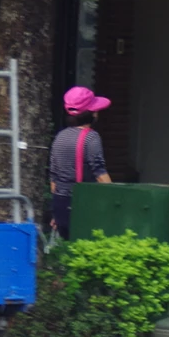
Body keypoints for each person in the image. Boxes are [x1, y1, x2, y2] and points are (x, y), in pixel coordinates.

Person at [49, 86, 112, 239]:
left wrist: (56, 213)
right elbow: (99, 173)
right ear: (92, 113)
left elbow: (53, 177)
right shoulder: (91, 137)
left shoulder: (60, 136)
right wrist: (115, 197)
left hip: (61, 203)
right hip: (83, 204)